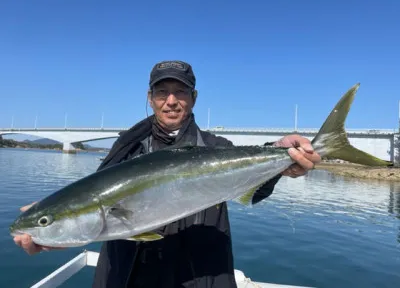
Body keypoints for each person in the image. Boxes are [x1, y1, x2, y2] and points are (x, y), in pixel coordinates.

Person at [14, 60, 321, 288]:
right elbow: (93, 197)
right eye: (162, 92)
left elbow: (252, 186)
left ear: (194, 97)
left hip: (197, 277)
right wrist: (53, 224)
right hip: (128, 278)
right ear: (150, 98)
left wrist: (281, 159)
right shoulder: (125, 148)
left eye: (180, 92)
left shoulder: (216, 147)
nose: (171, 100)